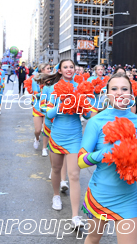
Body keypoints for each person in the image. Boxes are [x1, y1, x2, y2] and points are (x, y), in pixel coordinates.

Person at [79, 73, 137, 244]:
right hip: (100, 193)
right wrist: (105, 152)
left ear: (131, 94)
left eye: (124, 89)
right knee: (93, 238)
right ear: (106, 93)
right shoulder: (96, 121)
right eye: (114, 89)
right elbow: (81, 160)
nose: (119, 93)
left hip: (128, 195)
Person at [42, 59, 91, 228]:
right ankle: (56, 195)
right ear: (60, 70)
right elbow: (48, 113)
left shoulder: (80, 87)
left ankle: (76, 216)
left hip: (75, 136)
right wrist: (63, 104)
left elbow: (88, 115)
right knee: (56, 169)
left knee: (74, 175)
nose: (69, 69)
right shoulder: (51, 88)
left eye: (72, 67)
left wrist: (85, 108)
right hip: (57, 134)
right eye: (66, 67)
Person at [31, 63, 51, 157]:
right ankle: (37, 138)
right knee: (38, 130)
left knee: (46, 129)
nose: (50, 70)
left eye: (50, 68)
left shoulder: (52, 80)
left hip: (48, 107)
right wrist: (44, 92)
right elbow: (36, 94)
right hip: (37, 107)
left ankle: (44, 148)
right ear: (42, 69)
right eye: (48, 68)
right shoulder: (35, 80)